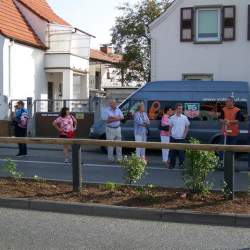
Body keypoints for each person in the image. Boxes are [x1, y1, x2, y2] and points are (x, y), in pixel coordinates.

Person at [219, 97, 242, 161]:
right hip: (224, 132)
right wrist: (224, 121)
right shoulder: (223, 109)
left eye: (228, 101)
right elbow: (220, 119)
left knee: (231, 148)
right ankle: (222, 161)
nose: (226, 102)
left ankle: (230, 162)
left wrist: (229, 121)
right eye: (226, 101)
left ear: (232, 102)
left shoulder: (237, 110)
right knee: (222, 147)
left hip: (233, 133)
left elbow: (237, 120)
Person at [169, 103, 190, 169]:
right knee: (172, 153)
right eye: (178, 108)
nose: (180, 110)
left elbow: (187, 127)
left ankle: (181, 164)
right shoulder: (172, 118)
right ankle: (172, 165)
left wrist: (184, 135)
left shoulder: (185, 118)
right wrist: (170, 135)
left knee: (181, 153)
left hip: (181, 138)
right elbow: (170, 127)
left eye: (181, 109)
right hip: (173, 138)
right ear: (176, 109)